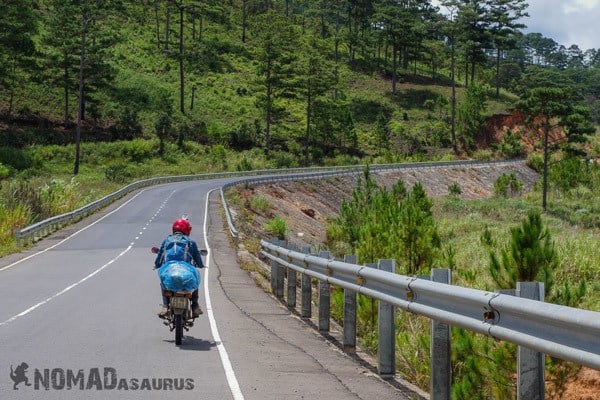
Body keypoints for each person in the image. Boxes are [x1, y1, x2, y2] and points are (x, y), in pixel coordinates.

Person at [155, 217, 205, 318]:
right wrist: (200, 265)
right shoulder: (191, 242)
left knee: (163, 282)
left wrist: (157, 265)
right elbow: (198, 259)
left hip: (169, 271)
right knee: (195, 282)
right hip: (186, 272)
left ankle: (165, 305)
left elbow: (159, 258)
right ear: (187, 230)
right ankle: (195, 306)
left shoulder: (166, 241)